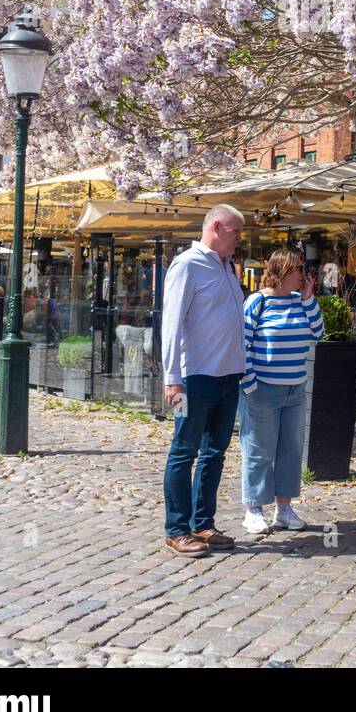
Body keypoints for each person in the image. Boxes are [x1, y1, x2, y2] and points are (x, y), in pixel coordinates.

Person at [161, 204, 246, 557]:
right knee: (184, 450)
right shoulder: (187, 265)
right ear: (216, 227)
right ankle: (177, 528)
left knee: (215, 452)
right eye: (236, 231)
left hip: (227, 377)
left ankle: (203, 523)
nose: (240, 238)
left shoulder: (226, 268)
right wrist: (172, 378)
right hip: (193, 378)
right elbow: (172, 322)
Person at [240, 248, 325, 535]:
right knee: (259, 450)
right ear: (284, 271)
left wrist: (309, 298)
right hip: (263, 389)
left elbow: (318, 332)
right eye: (299, 268)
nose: (304, 274)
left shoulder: (299, 302)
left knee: (290, 451)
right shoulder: (257, 302)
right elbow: (243, 345)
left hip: (295, 388)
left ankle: (284, 509)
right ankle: (254, 509)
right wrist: (250, 383)